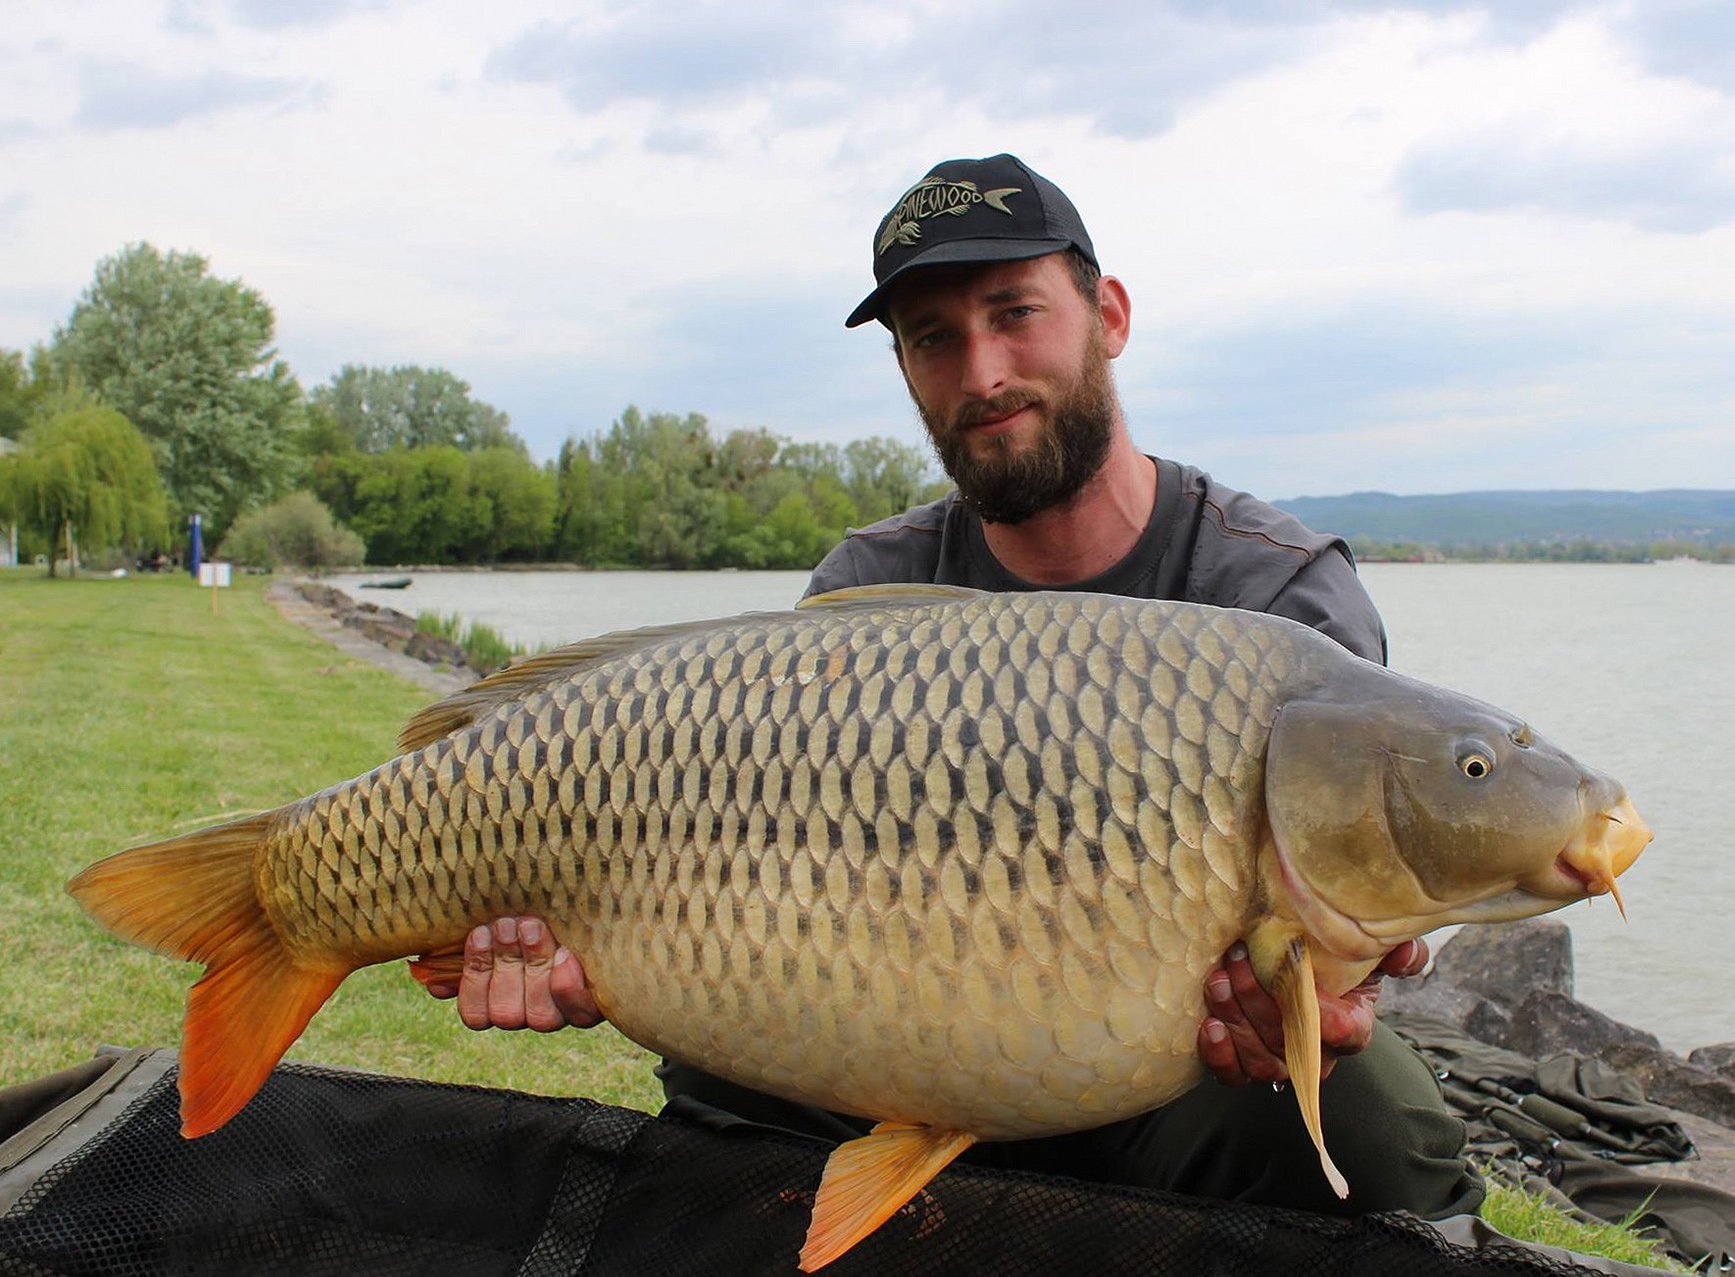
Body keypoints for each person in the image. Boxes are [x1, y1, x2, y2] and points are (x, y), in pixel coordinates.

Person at [425, 154, 1482, 1220]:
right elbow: (758, 876)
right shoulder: (869, 588)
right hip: (908, 1046)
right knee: (719, 1075)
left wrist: (1332, 997)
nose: (981, 372)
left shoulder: (1273, 591)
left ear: (1108, 313)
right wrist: (592, 943)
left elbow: (1348, 919)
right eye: (933, 337)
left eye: (1015, 312)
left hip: (1177, 1075)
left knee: (1371, 1118)